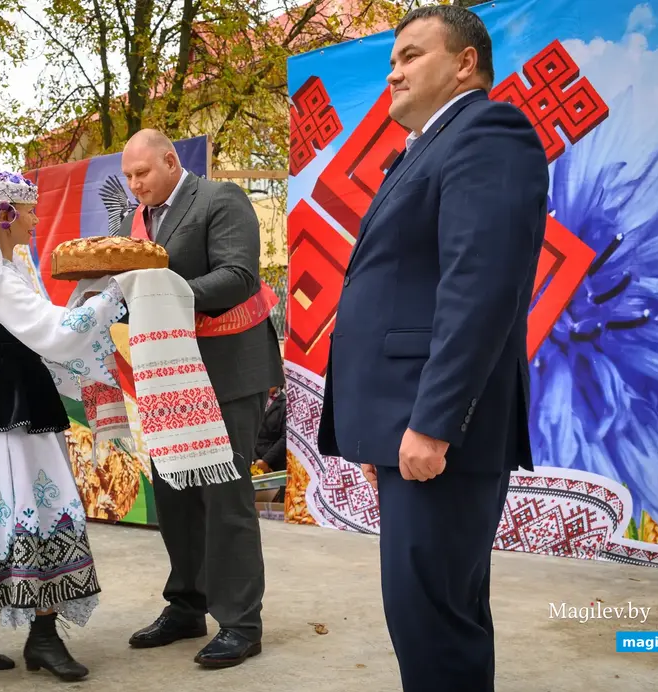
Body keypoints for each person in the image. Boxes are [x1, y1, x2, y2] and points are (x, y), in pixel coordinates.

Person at [316, 6, 549, 692]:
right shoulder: (424, 148)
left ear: (465, 63)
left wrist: (432, 424)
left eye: (412, 55)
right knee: (432, 612)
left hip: (442, 429)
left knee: (434, 621)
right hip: (409, 426)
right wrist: (387, 433)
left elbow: (480, 288)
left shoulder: (487, 132)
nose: (394, 71)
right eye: (392, 60)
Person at [0, 169, 126, 681]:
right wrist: (116, 292)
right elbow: (55, 336)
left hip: (4, 401)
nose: (36, 219)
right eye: (29, 209)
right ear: (3, 214)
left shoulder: (4, 274)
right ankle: (41, 636)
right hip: (12, 407)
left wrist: (93, 292)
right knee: (38, 504)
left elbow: (46, 325)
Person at [118, 129, 285, 668]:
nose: (135, 184)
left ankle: (241, 622)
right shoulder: (135, 223)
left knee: (225, 494)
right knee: (174, 494)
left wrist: (166, 298)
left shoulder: (220, 199)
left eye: (142, 173)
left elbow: (238, 276)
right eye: (128, 177)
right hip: (167, 374)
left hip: (228, 370)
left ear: (170, 161)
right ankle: (187, 605)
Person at [252, 385, 287, 503]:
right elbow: (246, 431)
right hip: (253, 463)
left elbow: (286, 436)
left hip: (275, 466)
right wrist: (256, 460)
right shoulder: (253, 402)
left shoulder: (285, 404)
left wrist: (266, 461)